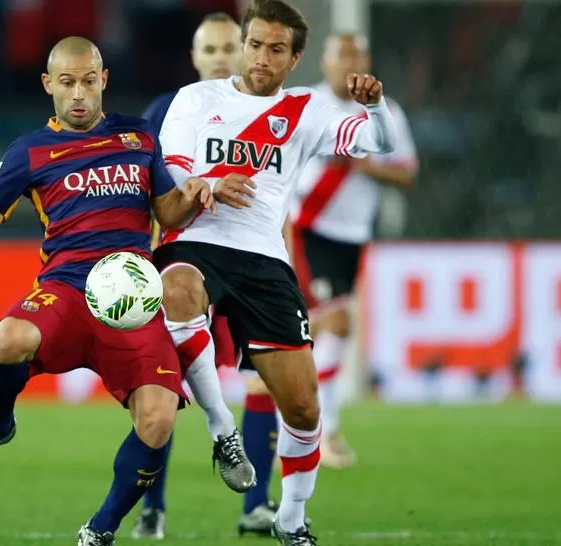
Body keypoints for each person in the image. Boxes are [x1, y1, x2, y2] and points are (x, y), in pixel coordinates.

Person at [0, 37, 216, 546]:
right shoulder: (29, 152)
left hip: (133, 297)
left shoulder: (140, 138)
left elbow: (168, 214)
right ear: (48, 85)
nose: (79, 93)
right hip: (68, 289)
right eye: (68, 82)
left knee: (160, 418)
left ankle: (101, 529)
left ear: (104, 80)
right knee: (8, 339)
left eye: (88, 81)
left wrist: (194, 198)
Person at [154, 0, 400, 543]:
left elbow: (378, 144)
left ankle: (290, 517)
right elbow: (170, 187)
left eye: (276, 49)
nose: (262, 58)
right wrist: (211, 187)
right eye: (255, 45)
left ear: (294, 59)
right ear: (243, 44)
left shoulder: (307, 110)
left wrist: (376, 107)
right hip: (197, 240)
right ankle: (224, 428)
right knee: (175, 287)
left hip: (265, 259)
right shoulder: (196, 100)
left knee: (305, 406)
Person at [132, 11, 278, 540]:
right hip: (180, 262)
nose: (219, 58)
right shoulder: (165, 113)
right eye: (209, 50)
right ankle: (152, 506)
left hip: (247, 261)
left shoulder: (270, 111)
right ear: (194, 59)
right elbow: (146, 192)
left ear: (243, 53)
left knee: (264, 376)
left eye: (227, 49)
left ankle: (256, 505)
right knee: (163, 386)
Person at [287, 33, 419, 470]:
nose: (349, 64)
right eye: (341, 56)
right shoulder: (306, 105)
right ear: (323, 63)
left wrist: (368, 167)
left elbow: (408, 175)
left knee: (321, 332)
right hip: (308, 229)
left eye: (357, 55)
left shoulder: (386, 112)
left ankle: (298, 426)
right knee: (338, 323)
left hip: (352, 236)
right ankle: (322, 431)